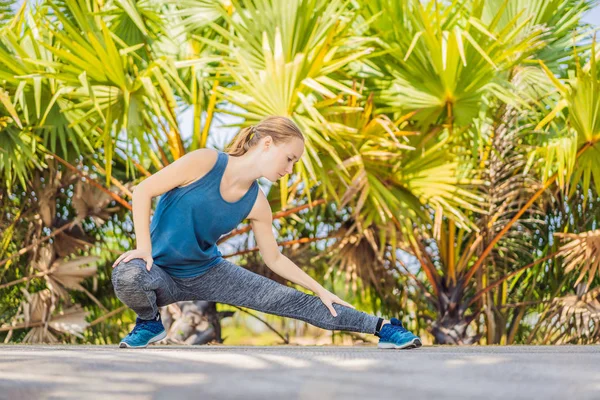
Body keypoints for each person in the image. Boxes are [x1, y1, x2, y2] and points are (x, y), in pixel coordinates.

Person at [111, 115, 422, 350]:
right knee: (127, 274)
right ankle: (149, 323)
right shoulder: (205, 161)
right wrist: (144, 249)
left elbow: (274, 258)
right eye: (289, 159)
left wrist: (319, 289)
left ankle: (383, 328)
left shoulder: (257, 203)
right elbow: (143, 191)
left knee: (292, 301)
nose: (289, 170)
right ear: (267, 143)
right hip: (158, 270)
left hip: (207, 272)